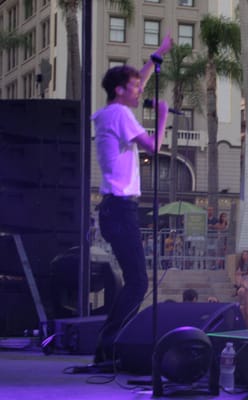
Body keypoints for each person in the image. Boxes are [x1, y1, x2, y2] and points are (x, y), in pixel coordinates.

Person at [92, 34, 172, 364]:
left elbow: (135, 84)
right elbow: (153, 146)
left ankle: (109, 347)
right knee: (138, 282)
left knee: (135, 280)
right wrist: (164, 114)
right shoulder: (121, 115)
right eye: (135, 87)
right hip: (121, 209)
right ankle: (107, 347)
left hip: (115, 210)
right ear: (120, 91)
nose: (140, 91)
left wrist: (154, 60)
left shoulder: (109, 113)